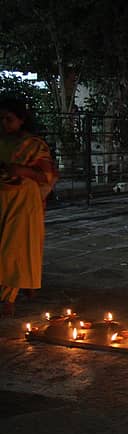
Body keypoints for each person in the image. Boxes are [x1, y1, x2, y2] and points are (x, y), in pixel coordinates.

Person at [0, 98, 58, 316]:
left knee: (15, 247)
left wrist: (22, 171)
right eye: (1, 119)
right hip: (2, 199)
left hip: (24, 201)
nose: (4, 124)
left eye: (9, 119)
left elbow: (47, 176)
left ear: (21, 120)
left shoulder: (34, 146)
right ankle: (24, 283)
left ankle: (8, 296)